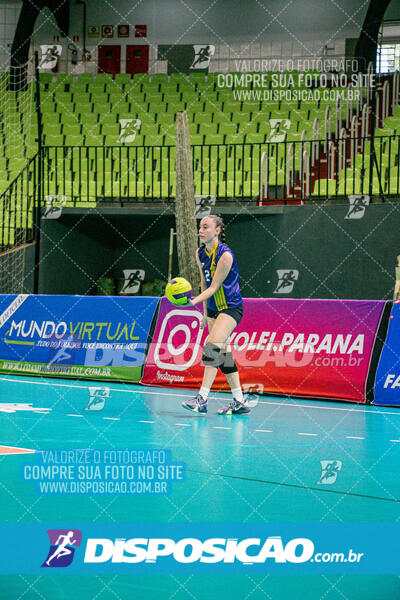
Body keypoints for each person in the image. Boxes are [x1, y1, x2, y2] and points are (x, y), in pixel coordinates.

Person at [182, 214, 250, 415]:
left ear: (218, 230)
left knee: (211, 348)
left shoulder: (225, 255)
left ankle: (202, 398)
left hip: (230, 308)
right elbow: (203, 282)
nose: (201, 231)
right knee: (224, 355)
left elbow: (213, 287)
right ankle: (239, 401)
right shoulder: (199, 253)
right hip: (212, 309)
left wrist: (192, 301)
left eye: (205, 227)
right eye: (200, 227)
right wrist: (204, 312)